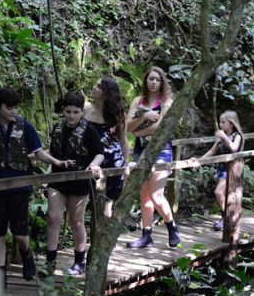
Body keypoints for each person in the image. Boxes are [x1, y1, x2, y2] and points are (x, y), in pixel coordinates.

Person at [0, 87, 64, 283]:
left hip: (20, 186)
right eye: (9, 107)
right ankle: (0, 276)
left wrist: (56, 162)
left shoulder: (26, 126)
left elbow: (38, 153)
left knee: (20, 233)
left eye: (16, 107)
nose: (13, 111)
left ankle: (27, 255)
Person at [42, 90, 104, 277]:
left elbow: (99, 152)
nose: (71, 116)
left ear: (81, 112)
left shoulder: (89, 130)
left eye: (75, 112)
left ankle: (79, 261)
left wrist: (93, 164)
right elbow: (52, 151)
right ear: (63, 111)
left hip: (79, 181)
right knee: (53, 217)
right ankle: (49, 262)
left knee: (76, 221)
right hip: (58, 178)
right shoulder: (57, 128)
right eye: (68, 112)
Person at [126, 66, 181, 249]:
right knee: (144, 196)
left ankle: (171, 227)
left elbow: (160, 127)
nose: (154, 82)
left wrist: (137, 130)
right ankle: (146, 235)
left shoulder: (166, 101)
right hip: (140, 151)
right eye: (151, 79)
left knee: (156, 196)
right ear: (146, 80)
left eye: (157, 79)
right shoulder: (137, 101)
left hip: (161, 151)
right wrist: (145, 116)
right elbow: (127, 127)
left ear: (161, 82)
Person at [84, 76, 129, 218]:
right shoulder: (86, 110)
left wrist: (126, 163)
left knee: (107, 206)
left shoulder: (118, 115)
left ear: (106, 92)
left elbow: (123, 139)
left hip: (112, 160)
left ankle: (105, 233)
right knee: (89, 201)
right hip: (91, 160)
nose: (93, 87)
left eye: (98, 86)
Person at [201, 110, 244, 230]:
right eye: (220, 122)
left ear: (231, 123)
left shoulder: (237, 136)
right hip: (223, 167)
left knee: (219, 192)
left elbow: (234, 148)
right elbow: (212, 151)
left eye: (223, 122)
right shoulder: (221, 136)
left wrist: (224, 137)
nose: (220, 125)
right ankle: (226, 216)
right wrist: (200, 161)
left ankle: (227, 217)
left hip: (233, 168)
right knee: (223, 194)